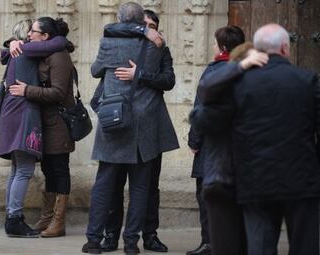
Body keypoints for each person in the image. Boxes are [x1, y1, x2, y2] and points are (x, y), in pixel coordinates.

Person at [196, 23, 320, 255]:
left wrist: (237, 68)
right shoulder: (307, 80)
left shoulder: (241, 83)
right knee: (306, 246)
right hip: (302, 180)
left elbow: (204, 115)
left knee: (260, 247)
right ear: (285, 48)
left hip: (255, 179)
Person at [82, 2, 179, 254]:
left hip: (114, 121)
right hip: (143, 125)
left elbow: (94, 71)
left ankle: (93, 240)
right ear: (139, 23)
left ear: (119, 19)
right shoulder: (157, 44)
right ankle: (131, 243)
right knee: (139, 188)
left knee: (104, 184)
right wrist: (146, 33)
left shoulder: (108, 43)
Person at [8, 17, 75, 238]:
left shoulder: (59, 56)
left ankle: (58, 221)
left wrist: (27, 91)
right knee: (48, 171)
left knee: (59, 170)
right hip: (43, 124)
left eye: (33, 32)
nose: (29, 35)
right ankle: (47, 218)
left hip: (58, 124)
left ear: (45, 36)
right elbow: (7, 53)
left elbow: (57, 92)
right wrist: (11, 43)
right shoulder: (42, 52)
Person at [187, 25, 246, 255]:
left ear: (222, 47)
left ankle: (210, 243)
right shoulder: (246, 70)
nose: (212, 46)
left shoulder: (214, 72)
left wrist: (194, 141)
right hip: (240, 149)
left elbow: (200, 108)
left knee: (207, 200)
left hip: (213, 148)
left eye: (214, 43)